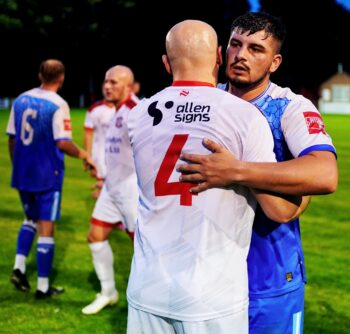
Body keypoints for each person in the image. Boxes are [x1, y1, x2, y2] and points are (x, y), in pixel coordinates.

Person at [112, 19, 307, 334]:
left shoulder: (138, 114)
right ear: (219, 56)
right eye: (235, 46)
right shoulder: (245, 116)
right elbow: (281, 209)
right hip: (211, 295)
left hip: (147, 288)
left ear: (165, 62)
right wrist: (301, 175)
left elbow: (122, 185)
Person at [177, 12, 338, 334]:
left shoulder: (289, 107)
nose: (241, 55)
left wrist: (235, 170)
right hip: (204, 269)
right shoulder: (201, 102)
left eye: (256, 49)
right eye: (236, 45)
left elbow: (324, 173)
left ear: (275, 62)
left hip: (268, 273)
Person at [7, 59, 96, 299]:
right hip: (47, 174)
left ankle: (19, 266)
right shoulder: (58, 104)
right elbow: (63, 142)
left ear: (39, 75)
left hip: (22, 172)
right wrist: (84, 154)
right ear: (62, 78)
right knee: (46, 226)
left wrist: (18, 166)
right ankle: (43, 287)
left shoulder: (21, 99)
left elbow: (12, 138)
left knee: (30, 218)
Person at [81, 65, 139, 315]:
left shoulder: (136, 112)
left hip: (132, 192)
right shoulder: (115, 112)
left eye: (114, 82)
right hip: (111, 189)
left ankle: (147, 301)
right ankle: (108, 293)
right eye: (106, 81)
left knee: (143, 249)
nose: (107, 86)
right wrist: (104, 179)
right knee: (95, 237)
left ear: (129, 86)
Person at [84, 80, 116, 199]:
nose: (108, 90)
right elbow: (88, 133)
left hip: (120, 156)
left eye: (112, 87)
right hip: (100, 155)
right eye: (106, 87)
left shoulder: (125, 108)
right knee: (104, 193)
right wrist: (88, 156)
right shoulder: (94, 109)